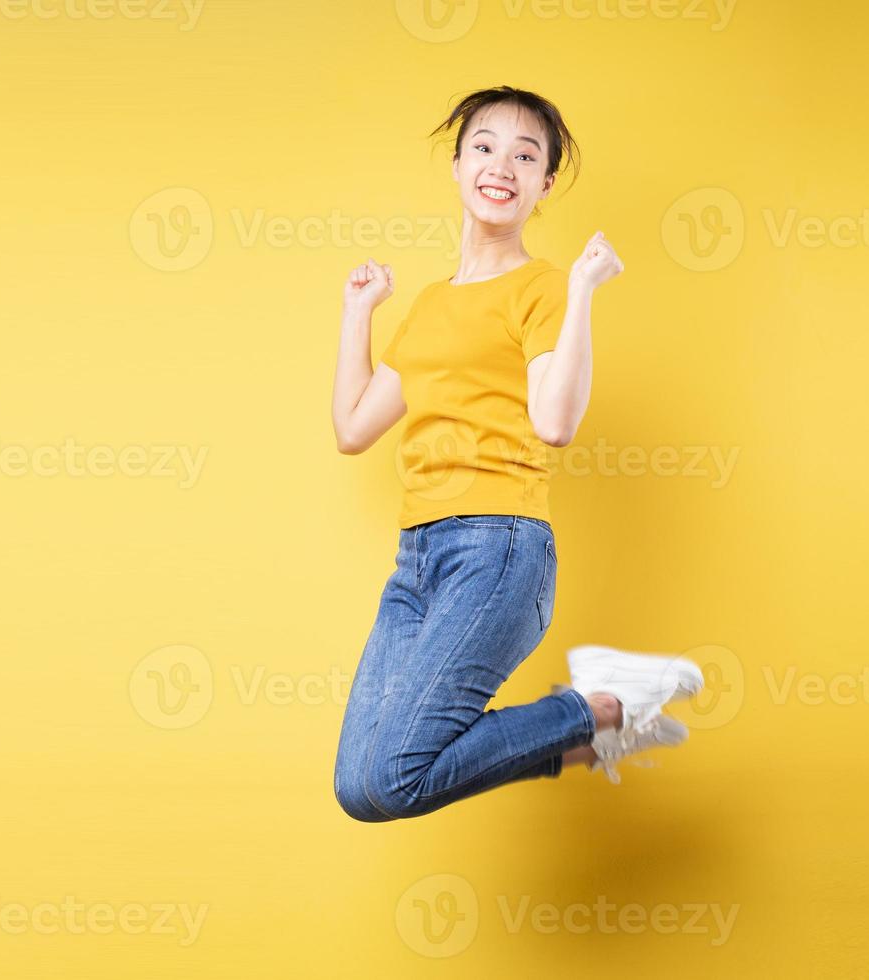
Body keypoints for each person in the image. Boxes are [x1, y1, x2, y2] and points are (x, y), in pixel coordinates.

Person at [330, 86, 703, 822]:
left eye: (525, 155)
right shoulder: (432, 303)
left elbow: (554, 422)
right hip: (417, 562)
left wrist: (585, 291)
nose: (502, 164)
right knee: (363, 789)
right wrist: (357, 313)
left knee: (396, 775)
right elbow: (352, 428)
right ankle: (585, 739)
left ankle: (596, 704)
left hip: (497, 548)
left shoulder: (544, 287)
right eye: (485, 146)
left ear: (543, 184)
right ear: (458, 164)